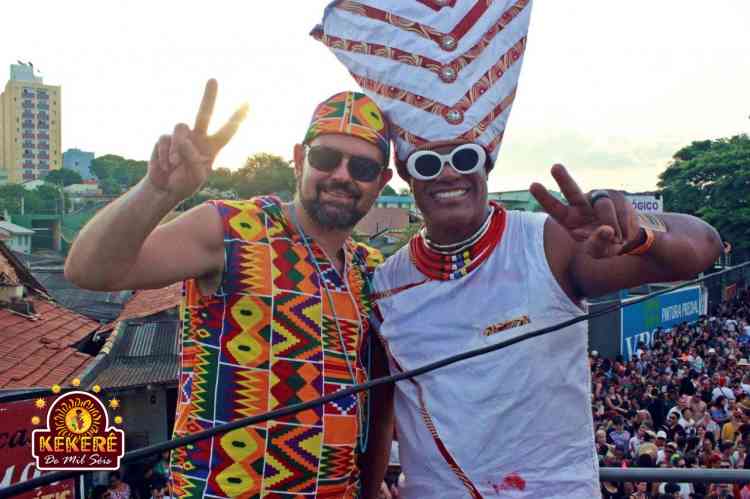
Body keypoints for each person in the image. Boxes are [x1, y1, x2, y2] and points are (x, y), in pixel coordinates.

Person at [314, 1, 724, 496]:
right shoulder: (385, 284)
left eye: (464, 157)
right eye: (426, 163)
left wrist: (639, 235)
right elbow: (381, 415)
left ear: (487, 163)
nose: (448, 173)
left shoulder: (547, 243)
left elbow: (705, 245)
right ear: (406, 176)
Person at [65, 81, 396, 498]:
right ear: (299, 159)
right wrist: (158, 192)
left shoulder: (371, 271)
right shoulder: (231, 229)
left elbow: (381, 399)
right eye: (326, 158)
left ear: (381, 182)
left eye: (362, 168)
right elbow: (89, 271)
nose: (342, 176)